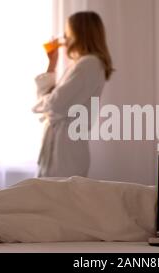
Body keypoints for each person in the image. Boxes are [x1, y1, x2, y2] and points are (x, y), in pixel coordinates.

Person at [32, 11, 113, 178]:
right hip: (62, 149)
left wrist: (44, 104)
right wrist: (52, 63)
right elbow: (51, 99)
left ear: (79, 34)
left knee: (57, 200)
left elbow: (55, 103)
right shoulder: (82, 65)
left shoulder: (89, 64)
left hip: (66, 153)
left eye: (67, 33)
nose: (64, 38)